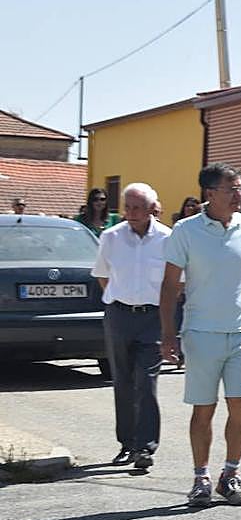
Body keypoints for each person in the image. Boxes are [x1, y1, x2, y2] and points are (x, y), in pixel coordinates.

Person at [159, 163, 241, 507]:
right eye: (233, 189)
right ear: (210, 194)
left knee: (240, 406)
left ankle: (231, 474)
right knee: (203, 410)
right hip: (201, 333)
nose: (240, 195)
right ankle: (200, 478)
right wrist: (167, 334)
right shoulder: (185, 231)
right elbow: (168, 286)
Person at [91, 183, 172, 470]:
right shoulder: (111, 237)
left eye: (138, 207)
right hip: (119, 315)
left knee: (146, 382)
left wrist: (169, 326)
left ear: (152, 209)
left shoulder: (167, 238)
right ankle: (127, 443)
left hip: (152, 318)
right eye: (127, 207)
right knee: (123, 380)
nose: (132, 213)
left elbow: (175, 284)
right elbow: (103, 276)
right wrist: (121, 301)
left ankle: (145, 447)